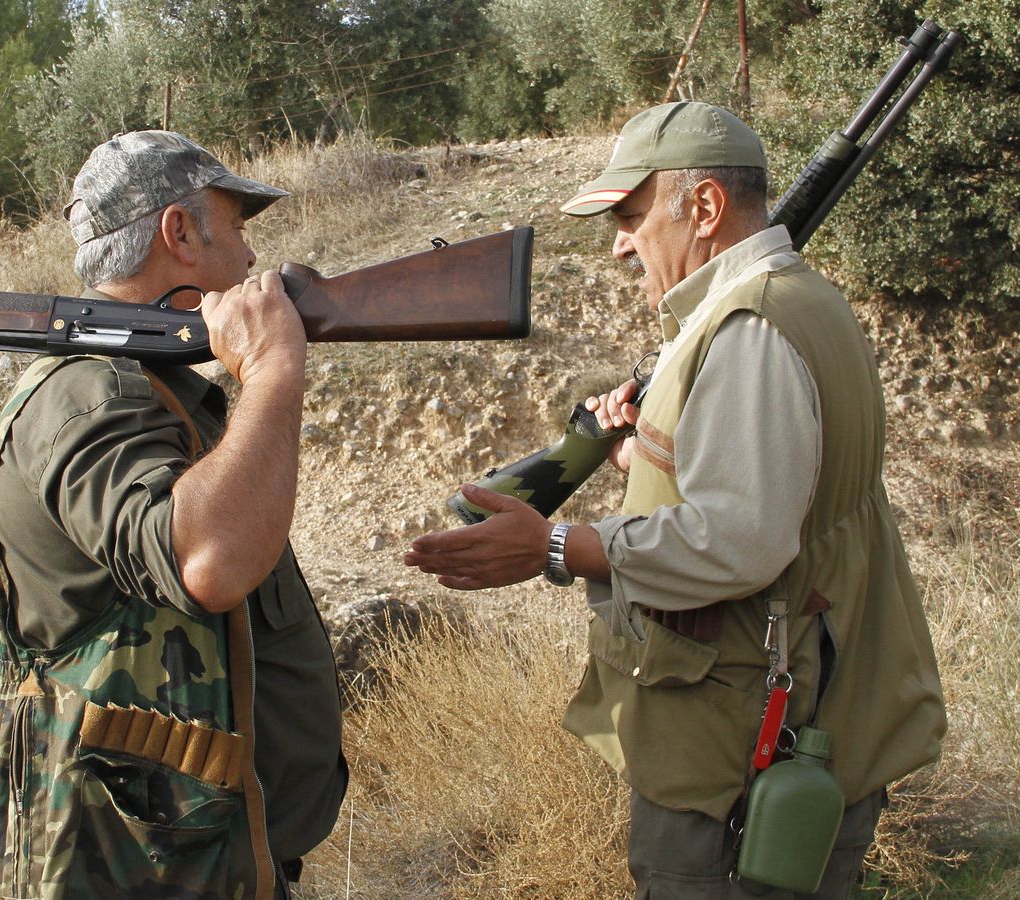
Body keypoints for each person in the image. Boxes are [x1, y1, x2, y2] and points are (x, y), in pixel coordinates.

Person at [403, 102, 945, 897]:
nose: (621, 241)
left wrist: (556, 547)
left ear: (704, 208)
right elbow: (773, 478)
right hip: (807, 699)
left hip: (740, 736)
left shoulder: (748, 330)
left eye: (631, 214)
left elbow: (740, 539)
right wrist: (641, 449)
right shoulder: (800, 300)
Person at [0, 130, 347, 899]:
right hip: (120, 870)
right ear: (180, 233)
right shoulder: (90, 393)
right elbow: (210, 560)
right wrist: (272, 371)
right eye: (236, 228)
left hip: (194, 859)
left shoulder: (151, 384)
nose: (247, 259)